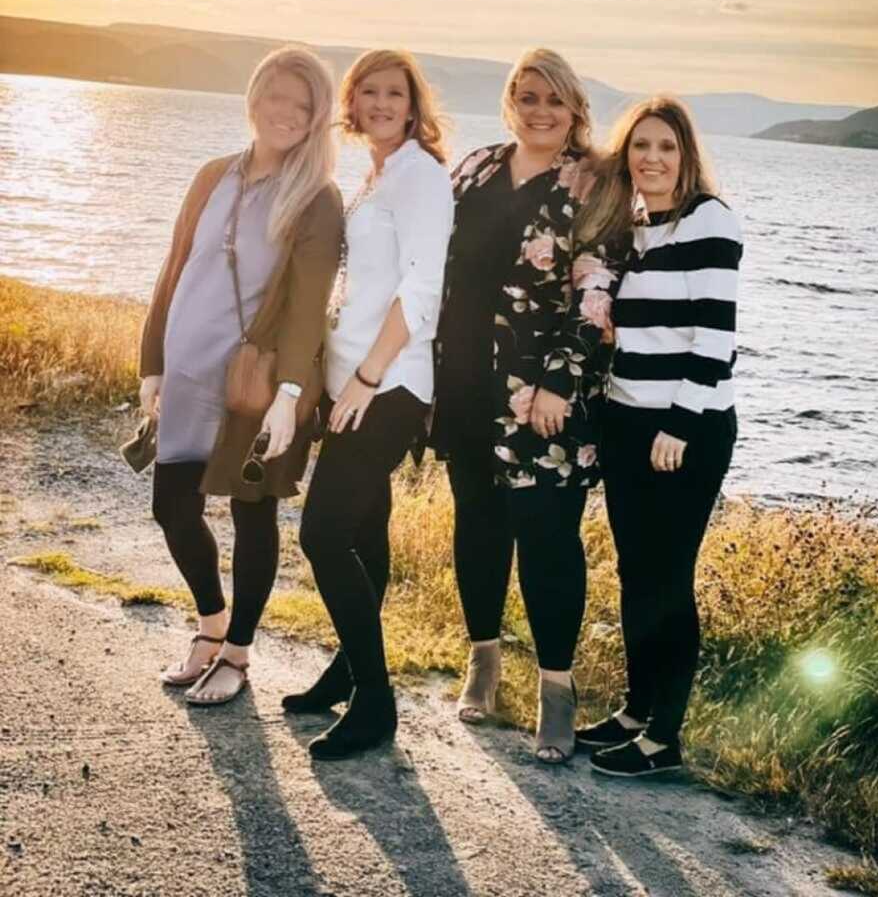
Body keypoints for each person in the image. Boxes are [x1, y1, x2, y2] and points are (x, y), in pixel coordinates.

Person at [430, 48, 624, 764]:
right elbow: (438, 264)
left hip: (545, 394)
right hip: (463, 381)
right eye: (527, 95)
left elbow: (598, 288)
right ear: (511, 99)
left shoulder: (595, 180)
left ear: (575, 108)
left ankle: (556, 688)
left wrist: (559, 384)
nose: (540, 109)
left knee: (547, 537)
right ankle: (483, 660)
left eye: (554, 99)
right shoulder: (476, 166)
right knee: (477, 522)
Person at [139, 46, 342, 706]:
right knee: (172, 505)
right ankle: (209, 624)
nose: (285, 112)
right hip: (188, 371)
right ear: (254, 97)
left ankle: (238, 654)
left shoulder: (316, 198)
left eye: (301, 104)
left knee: (254, 515)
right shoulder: (212, 174)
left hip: (255, 385)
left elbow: (310, 308)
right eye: (275, 95)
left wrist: (289, 396)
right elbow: (174, 270)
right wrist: (151, 364)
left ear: (316, 119)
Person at [281, 48, 454, 760]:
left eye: (395, 92)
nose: (381, 103)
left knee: (322, 535)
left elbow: (422, 289)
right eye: (369, 91)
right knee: (363, 537)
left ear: (414, 107)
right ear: (352, 104)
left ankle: (376, 704)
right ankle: (346, 672)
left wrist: (369, 377)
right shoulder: (377, 175)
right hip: (351, 380)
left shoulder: (421, 176)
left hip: (389, 387)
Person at [575, 95, 743, 777]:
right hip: (626, 418)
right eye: (640, 146)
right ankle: (636, 709)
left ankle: (663, 737)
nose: (652, 158)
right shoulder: (638, 229)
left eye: (666, 147)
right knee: (637, 572)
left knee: (669, 579)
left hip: (684, 430)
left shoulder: (710, 222)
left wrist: (679, 423)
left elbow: (716, 340)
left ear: (686, 155)